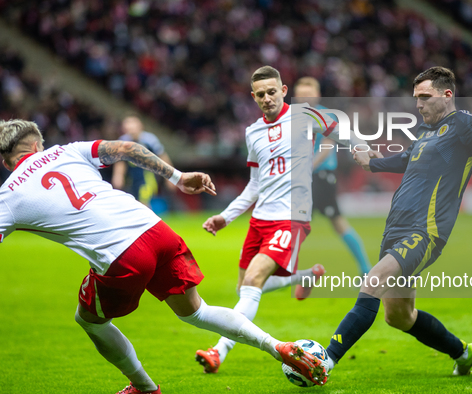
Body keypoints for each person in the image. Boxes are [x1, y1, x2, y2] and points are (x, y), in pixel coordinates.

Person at [0, 119, 329, 393]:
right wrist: (178, 176)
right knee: (196, 313)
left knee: (89, 320)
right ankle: (279, 347)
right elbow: (128, 148)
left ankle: (144, 387)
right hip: (157, 232)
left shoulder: (9, 194)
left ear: (6, 161)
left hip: (121, 254)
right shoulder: (67, 151)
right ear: (38, 145)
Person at [324, 67, 472, 377]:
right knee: (398, 316)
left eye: (424, 97)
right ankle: (463, 353)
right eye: (416, 98)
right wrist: (371, 163)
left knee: (373, 281)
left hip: (425, 232)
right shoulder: (424, 135)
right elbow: (404, 160)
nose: (418, 104)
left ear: (447, 94)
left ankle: (325, 360)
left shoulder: (466, 126)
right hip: (394, 231)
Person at [196, 66, 360, 374]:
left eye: (273, 92)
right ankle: (305, 275)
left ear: (284, 91)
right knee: (244, 287)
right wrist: (225, 217)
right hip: (260, 219)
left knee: (253, 282)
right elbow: (254, 184)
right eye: (261, 94)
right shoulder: (252, 131)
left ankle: (218, 351)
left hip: (292, 216)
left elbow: (339, 132)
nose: (267, 98)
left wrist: (364, 153)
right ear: (253, 97)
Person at [293, 76, 372, 275]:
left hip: (320, 177)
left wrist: (306, 168)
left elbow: (327, 148)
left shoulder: (326, 115)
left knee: (297, 222)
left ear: (317, 95)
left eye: (308, 94)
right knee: (331, 223)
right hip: (307, 177)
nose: (304, 98)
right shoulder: (293, 117)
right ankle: (366, 271)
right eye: (301, 94)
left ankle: (286, 272)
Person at [111, 115, 174, 206]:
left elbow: (163, 157)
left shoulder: (150, 140)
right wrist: (118, 176)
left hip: (148, 177)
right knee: (135, 202)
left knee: (143, 201)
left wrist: (170, 177)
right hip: (132, 178)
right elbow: (120, 162)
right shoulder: (123, 141)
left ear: (140, 126)